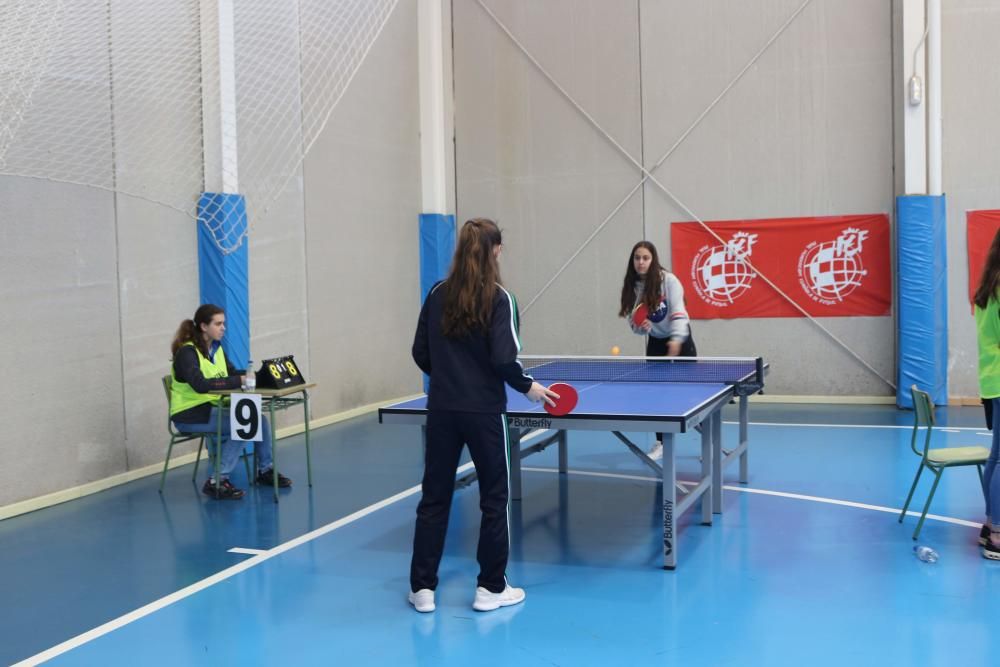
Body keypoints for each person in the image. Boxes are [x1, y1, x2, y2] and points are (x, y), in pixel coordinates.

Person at [408, 218, 557, 613]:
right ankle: (491, 587)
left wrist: (448, 375)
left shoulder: (438, 293)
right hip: (484, 413)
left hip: (441, 410)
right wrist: (531, 388)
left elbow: (420, 353)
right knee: (494, 499)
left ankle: (422, 589)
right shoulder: (499, 298)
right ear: (494, 250)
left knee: (434, 498)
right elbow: (505, 359)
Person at [170, 304, 291, 500]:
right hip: (189, 414)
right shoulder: (187, 353)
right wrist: (239, 381)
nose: (223, 328)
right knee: (245, 424)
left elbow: (233, 374)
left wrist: (261, 376)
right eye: (218, 324)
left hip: (212, 410)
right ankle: (216, 481)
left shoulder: (216, 349)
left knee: (259, 421)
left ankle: (265, 470)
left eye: (223, 323)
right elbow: (200, 385)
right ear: (203, 326)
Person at [618, 240, 696, 460]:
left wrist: (677, 339)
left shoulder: (669, 281)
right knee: (657, 396)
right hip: (656, 342)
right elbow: (634, 324)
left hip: (681, 339)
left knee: (697, 395)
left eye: (645, 258)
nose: (641, 262)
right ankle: (661, 442)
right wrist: (642, 329)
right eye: (637, 258)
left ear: (653, 260)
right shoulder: (632, 287)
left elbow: (679, 311)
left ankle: (709, 441)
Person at [973, 228, 1000, 560]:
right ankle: (997, 535)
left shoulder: (987, 288)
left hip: (991, 381)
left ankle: (990, 523)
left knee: (996, 457)